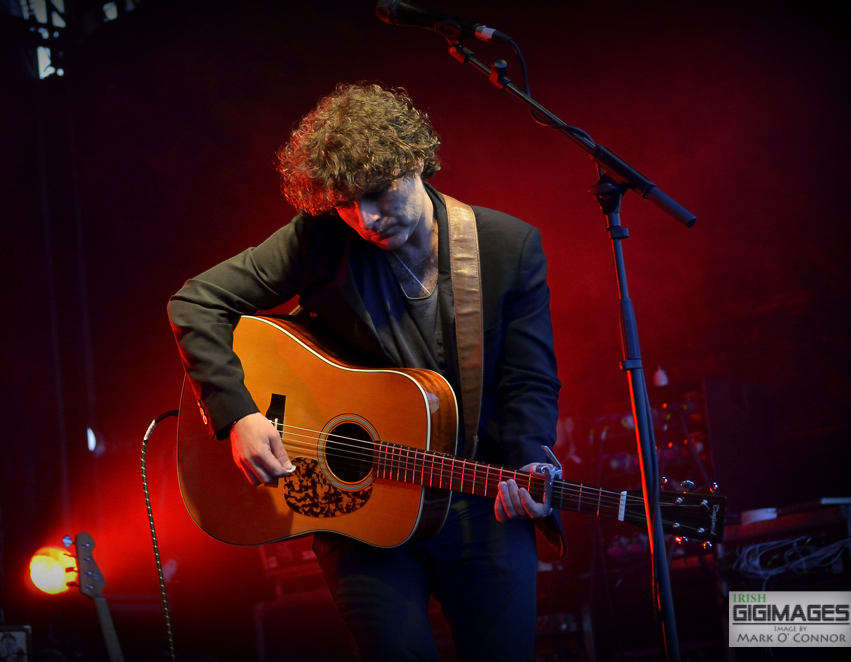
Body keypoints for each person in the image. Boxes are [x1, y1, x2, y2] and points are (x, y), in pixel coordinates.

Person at [169, 83, 563, 661]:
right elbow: (196, 302)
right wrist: (239, 415)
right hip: (358, 511)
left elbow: (529, 379)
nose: (365, 219)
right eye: (346, 204)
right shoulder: (321, 237)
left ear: (413, 161)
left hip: (478, 500)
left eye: (377, 194)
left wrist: (529, 454)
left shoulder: (508, 246)